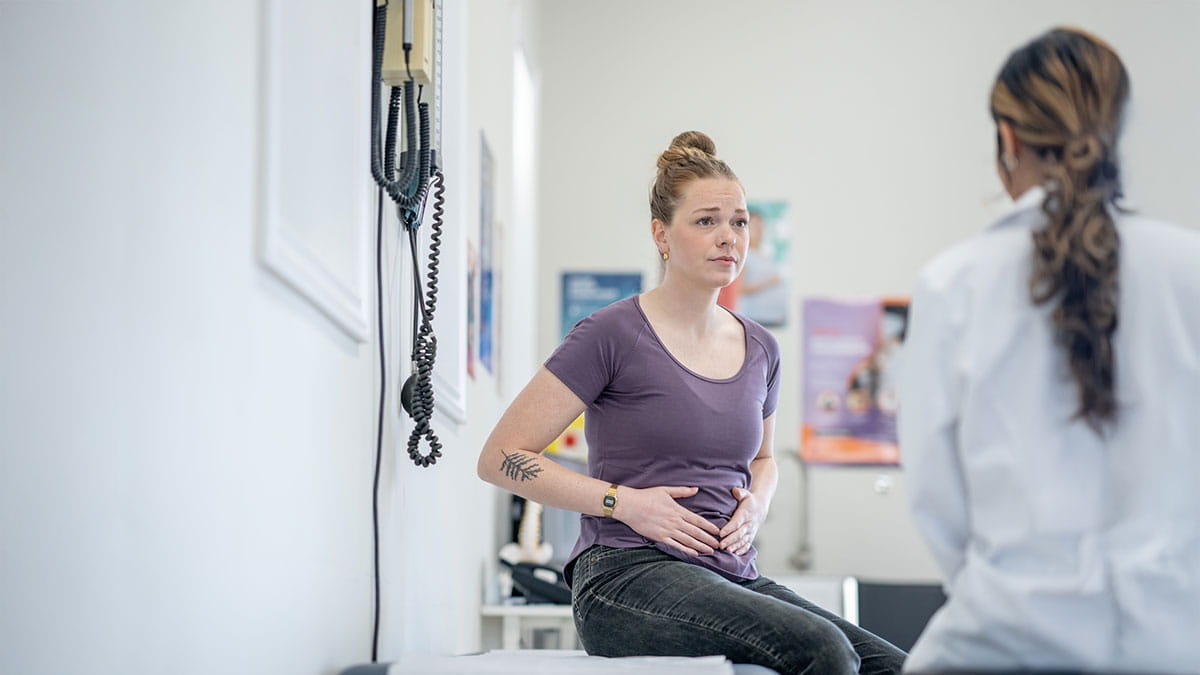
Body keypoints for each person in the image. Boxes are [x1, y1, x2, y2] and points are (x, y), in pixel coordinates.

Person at [479, 131, 906, 674]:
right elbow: (499, 457)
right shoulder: (609, 333)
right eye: (706, 221)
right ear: (661, 234)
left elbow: (765, 460)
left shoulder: (761, 348)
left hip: (733, 572)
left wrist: (758, 503)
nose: (728, 236)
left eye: (740, 221)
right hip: (624, 574)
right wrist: (624, 503)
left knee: (900, 668)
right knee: (822, 652)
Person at [898, 27, 1200, 672]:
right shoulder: (1190, 271)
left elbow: (935, 499)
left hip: (1004, 644)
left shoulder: (955, 283)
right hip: (1174, 648)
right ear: (1113, 129)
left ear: (1007, 140)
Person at [736, 208, 788, 326]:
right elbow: (739, 289)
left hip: (775, 318)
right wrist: (768, 283)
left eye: (761, 225)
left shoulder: (766, 254)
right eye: (755, 226)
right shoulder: (745, 256)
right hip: (757, 319)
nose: (760, 229)